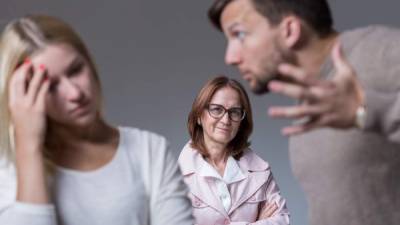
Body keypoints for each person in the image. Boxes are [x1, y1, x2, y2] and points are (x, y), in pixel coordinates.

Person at [207, 0, 400, 224]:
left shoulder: (384, 53)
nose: (230, 57)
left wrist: (364, 111)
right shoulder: (311, 102)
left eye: (239, 35)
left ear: (290, 30)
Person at [0, 14, 193, 225]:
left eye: (75, 70)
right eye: (50, 86)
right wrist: (28, 147)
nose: (74, 93)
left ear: (89, 61)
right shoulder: (8, 173)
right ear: (23, 95)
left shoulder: (150, 150)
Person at [178, 76, 289, 225]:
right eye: (217, 109)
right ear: (199, 116)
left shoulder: (260, 170)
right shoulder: (175, 176)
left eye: (235, 112)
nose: (226, 120)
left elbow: (283, 220)